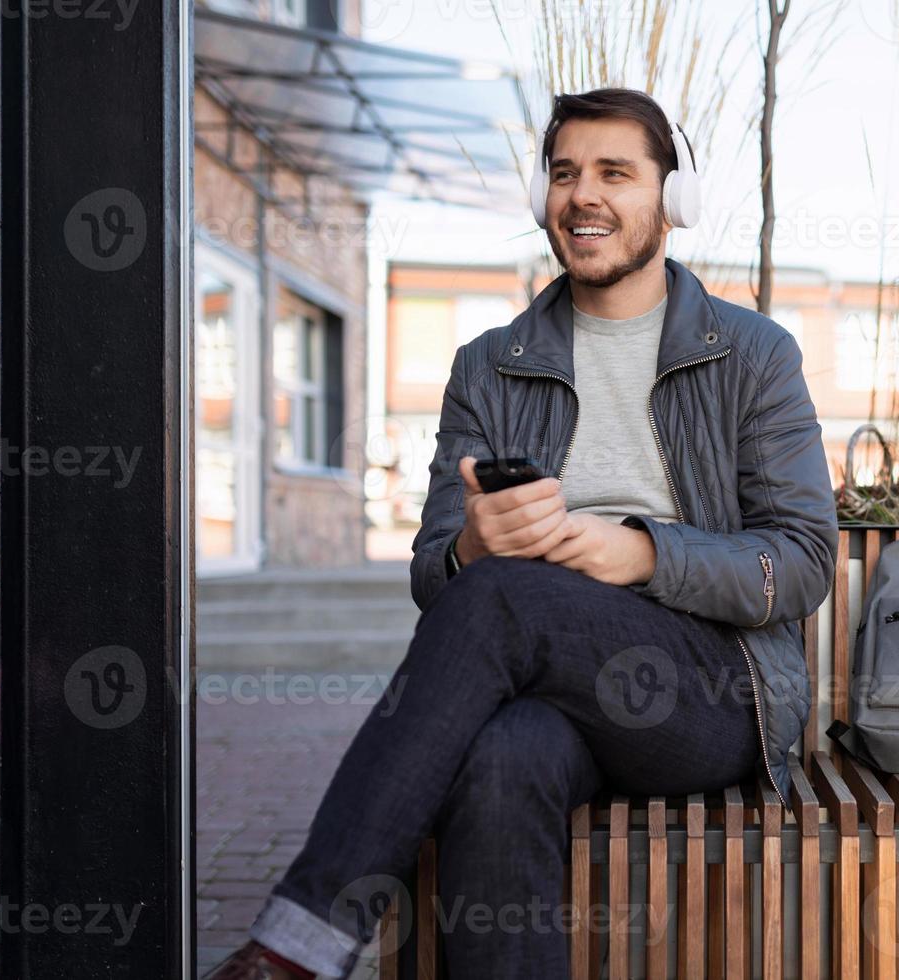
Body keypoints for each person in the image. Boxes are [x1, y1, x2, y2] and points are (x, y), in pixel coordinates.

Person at [204, 87, 837, 979]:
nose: (584, 195)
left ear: (673, 201)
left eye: (615, 173)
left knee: (501, 596)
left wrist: (643, 552)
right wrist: (472, 548)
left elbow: (803, 561)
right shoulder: (488, 366)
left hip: (713, 689)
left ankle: (298, 945)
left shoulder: (754, 354)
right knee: (502, 758)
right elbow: (436, 575)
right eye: (565, 172)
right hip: (545, 683)